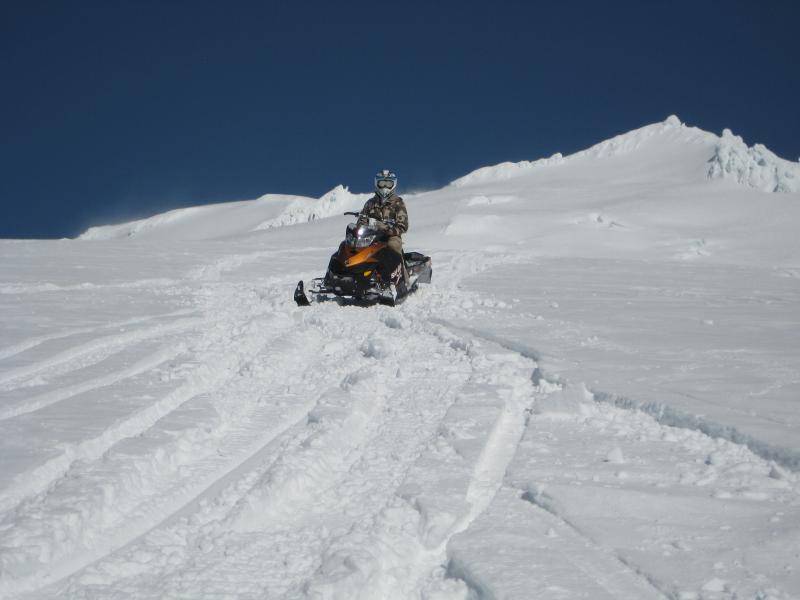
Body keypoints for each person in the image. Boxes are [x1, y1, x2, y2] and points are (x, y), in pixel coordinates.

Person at [357, 169, 409, 288]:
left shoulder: (398, 202)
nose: (385, 187)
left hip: (390, 236)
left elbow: (403, 225)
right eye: (382, 183)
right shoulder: (370, 203)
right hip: (370, 237)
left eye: (388, 184)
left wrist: (385, 228)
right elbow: (361, 219)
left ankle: (404, 281)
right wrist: (363, 222)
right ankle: (355, 276)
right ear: (377, 184)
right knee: (353, 246)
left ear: (393, 185)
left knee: (394, 245)